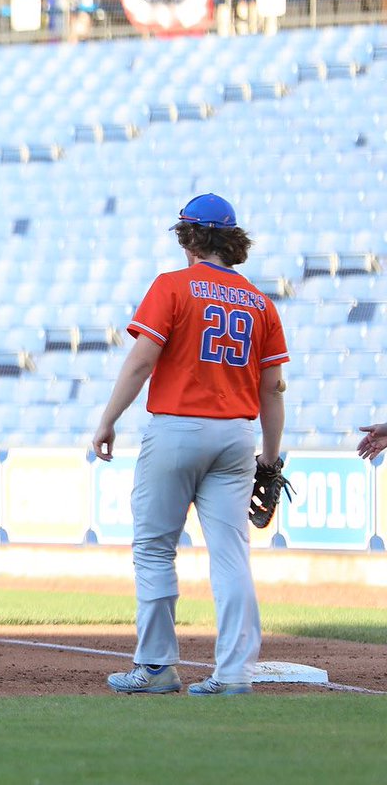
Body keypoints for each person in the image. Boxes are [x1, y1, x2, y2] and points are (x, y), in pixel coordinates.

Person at [91, 193, 289, 696]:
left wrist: (108, 419)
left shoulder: (173, 286)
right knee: (230, 556)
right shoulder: (261, 303)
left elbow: (141, 361)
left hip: (178, 428)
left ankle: (156, 669)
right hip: (237, 437)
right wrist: (269, 455)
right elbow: (273, 389)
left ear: (190, 237)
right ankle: (235, 674)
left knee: (156, 548)